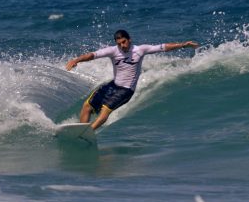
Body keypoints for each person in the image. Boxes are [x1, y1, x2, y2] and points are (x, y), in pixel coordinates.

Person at [65, 29, 199, 130]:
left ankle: (88, 132)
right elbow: (93, 55)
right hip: (113, 85)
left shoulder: (140, 50)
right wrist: (77, 60)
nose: (122, 46)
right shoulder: (113, 51)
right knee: (87, 106)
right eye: (119, 44)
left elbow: (163, 47)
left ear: (129, 39)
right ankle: (81, 131)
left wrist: (183, 45)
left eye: (124, 42)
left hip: (127, 90)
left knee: (105, 110)